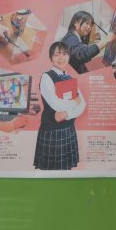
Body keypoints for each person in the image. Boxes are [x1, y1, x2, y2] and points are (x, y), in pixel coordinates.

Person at [33, 41, 86, 170]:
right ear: (50, 58)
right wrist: (75, 102)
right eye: (57, 54)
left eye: (64, 54)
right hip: (53, 130)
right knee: (50, 170)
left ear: (69, 56)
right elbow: (56, 104)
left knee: (65, 168)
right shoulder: (47, 77)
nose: (61, 58)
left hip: (69, 128)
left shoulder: (69, 77)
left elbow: (83, 104)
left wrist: (67, 114)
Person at [61, 10, 115, 74]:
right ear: (76, 23)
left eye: (91, 25)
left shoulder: (75, 38)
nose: (89, 27)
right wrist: (106, 40)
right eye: (87, 23)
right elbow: (81, 55)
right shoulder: (70, 38)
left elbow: (81, 66)